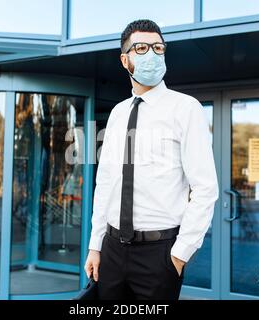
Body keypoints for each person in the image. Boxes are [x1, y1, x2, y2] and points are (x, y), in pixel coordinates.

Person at [84, 19, 219, 300]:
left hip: (159, 254)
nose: (152, 55)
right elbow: (106, 182)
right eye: (142, 47)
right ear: (125, 60)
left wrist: (179, 255)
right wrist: (95, 245)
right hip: (111, 249)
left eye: (158, 48)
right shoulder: (118, 113)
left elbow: (205, 189)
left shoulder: (186, 109)